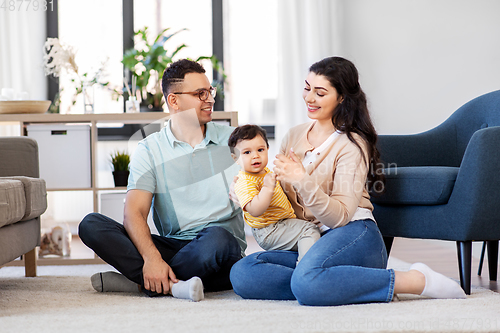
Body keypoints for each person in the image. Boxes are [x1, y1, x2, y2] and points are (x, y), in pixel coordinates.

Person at [229, 56, 466, 306]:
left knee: (306, 283)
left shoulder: (352, 145)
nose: (309, 98)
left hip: (352, 234)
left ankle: (413, 280)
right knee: (243, 273)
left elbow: (339, 217)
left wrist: (302, 179)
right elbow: (280, 195)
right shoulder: (293, 136)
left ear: (341, 97)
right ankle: (342, 282)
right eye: (307, 88)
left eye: (320, 93)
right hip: (310, 240)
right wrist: (249, 193)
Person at [79, 59, 246, 301]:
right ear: (174, 101)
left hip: (220, 249)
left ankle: (141, 282)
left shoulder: (234, 140)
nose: (209, 99)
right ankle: (172, 281)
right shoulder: (149, 149)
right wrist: (152, 258)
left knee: (217, 238)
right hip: (173, 245)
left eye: (210, 91)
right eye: (200, 93)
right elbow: (134, 213)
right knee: (91, 224)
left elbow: (261, 187)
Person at [228, 124, 320, 263]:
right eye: (247, 152)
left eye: (260, 150)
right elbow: (255, 210)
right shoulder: (244, 181)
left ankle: (295, 261)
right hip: (269, 230)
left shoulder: (264, 172)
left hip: (282, 223)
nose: (255, 156)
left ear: (267, 149)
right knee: (309, 231)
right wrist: (267, 187)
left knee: (308, 236)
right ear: (235, 158)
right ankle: (305, 267)